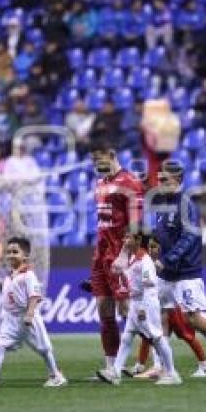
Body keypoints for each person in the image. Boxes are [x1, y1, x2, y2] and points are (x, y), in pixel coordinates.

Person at [147, 163, 206, 377]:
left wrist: (167, 260)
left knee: (192, 318)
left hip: (185, 270)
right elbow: (161, 235)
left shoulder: (185, 204)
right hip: (166, 272)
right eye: (159, 180)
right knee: (159, 315)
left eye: (165, 180)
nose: (160, 184)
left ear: (177, 181)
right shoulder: (164, 204)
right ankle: (160, 365)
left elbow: (189, 237)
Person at [88, 139, 145, 372]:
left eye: (97, 159)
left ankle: (158, 361)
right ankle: (111, 366)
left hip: (120, 254)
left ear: (111, 154)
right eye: (92, 160)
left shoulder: (130, 182)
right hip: (101, 255)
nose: (94, 164)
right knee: (104, 309)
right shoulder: (100, 184)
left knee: (126, 311)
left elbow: (136, 225)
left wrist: (124, 255)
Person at [96, 231, 182, 385]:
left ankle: (171, 373)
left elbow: (149, 286)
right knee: (127, 336)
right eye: (125, 236)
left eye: (128, 237)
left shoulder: (145, 260)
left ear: (138, 240)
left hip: (146, 303)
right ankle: (115, 372)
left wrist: (143, 307)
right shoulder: (132, 258)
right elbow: (121, 273)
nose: (124, 239)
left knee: (157, 338)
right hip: (135, 302)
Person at [0, 237, 66, 388]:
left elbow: (34, 296)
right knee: (0, 344)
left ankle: (56, 375)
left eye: (15, 252)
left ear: (25, 256)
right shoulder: (10, 275)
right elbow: (6, 290)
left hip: (26, 316)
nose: (10, 255)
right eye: (8, 252)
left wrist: (30, 314)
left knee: (43, 348)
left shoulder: (28, 275)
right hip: (10, 318)